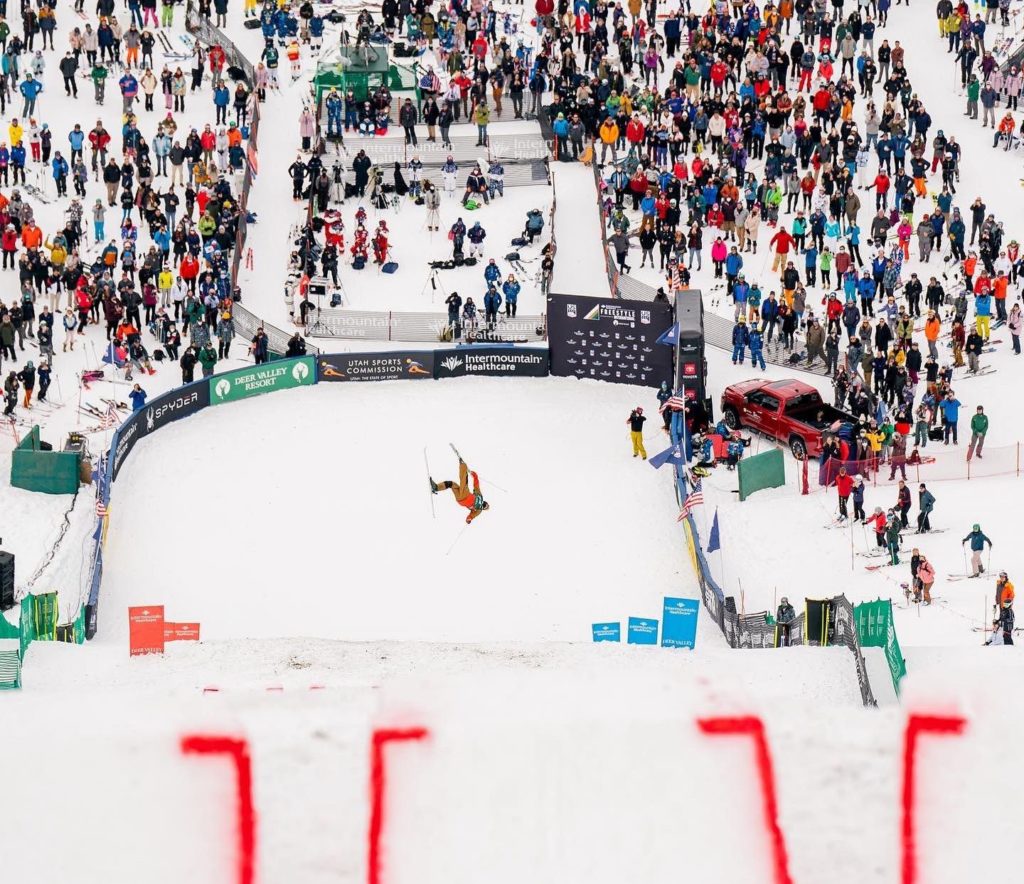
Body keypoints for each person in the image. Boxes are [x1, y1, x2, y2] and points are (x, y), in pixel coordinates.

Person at [428, 454, 490, 524]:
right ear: (486, 502)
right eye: (487, 505)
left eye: (486, 508)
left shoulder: (479, 510)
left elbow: (472, 515)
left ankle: (462, 464)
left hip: (465, 498)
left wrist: (468, 519)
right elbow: (476, 485)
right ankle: (436, 487)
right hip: (461, 498)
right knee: (452, 484)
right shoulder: (480, 496)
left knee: (464, 480)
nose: (485, 506)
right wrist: (475, 476)